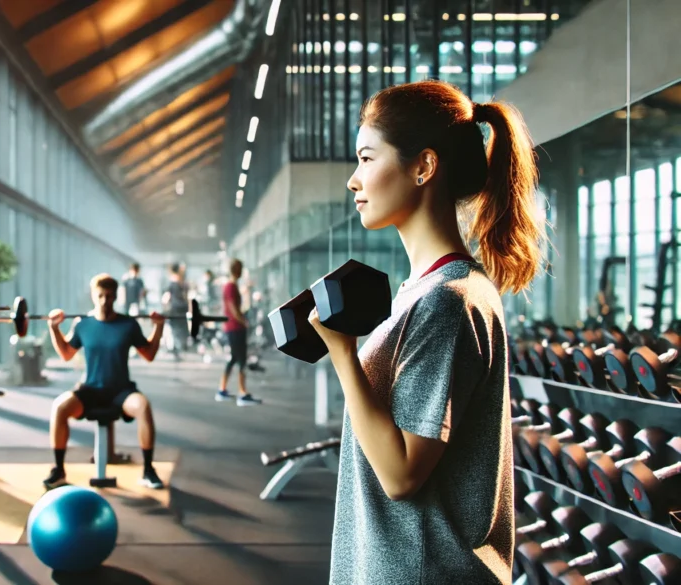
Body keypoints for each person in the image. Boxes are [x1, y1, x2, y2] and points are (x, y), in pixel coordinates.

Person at [316, 80, 545, 585]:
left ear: (423, 166)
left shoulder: (448, 302)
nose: (354, 181)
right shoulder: (424, 292)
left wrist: (343, 355)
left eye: (367, 158)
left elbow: (400, 475)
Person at [45, 274, 167, 491]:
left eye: (109, 296)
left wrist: (158, 327)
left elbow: (148, 354)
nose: (104, 301)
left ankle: (148, 469)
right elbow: (66, 353)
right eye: (100, 296)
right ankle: (58, 469)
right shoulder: (83, 324)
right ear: (93, 295)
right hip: (90, 389)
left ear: (115, 296)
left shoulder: (128, 325)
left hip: (121, 391)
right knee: (59, 407)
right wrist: (54, 328)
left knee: (143, 407)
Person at [215, 259, 262, 405]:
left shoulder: (232, 286)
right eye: (240, 268)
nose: (242, 271)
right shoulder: (230, 286)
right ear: (236, 269)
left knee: (235, 358)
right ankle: (242, 393)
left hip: (234, 327)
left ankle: (222, 390)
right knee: (241, 359)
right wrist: (243, 322)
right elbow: (233, 308)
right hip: (235, 327)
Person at [161, 263, 190, 360]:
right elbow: (185, 296)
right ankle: (180, 348)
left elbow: (166, 298)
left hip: (174, 309)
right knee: (180, 330)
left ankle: (176, 350)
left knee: (174, 330)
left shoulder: (171, 282)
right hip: (182, 309)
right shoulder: (182, 281)